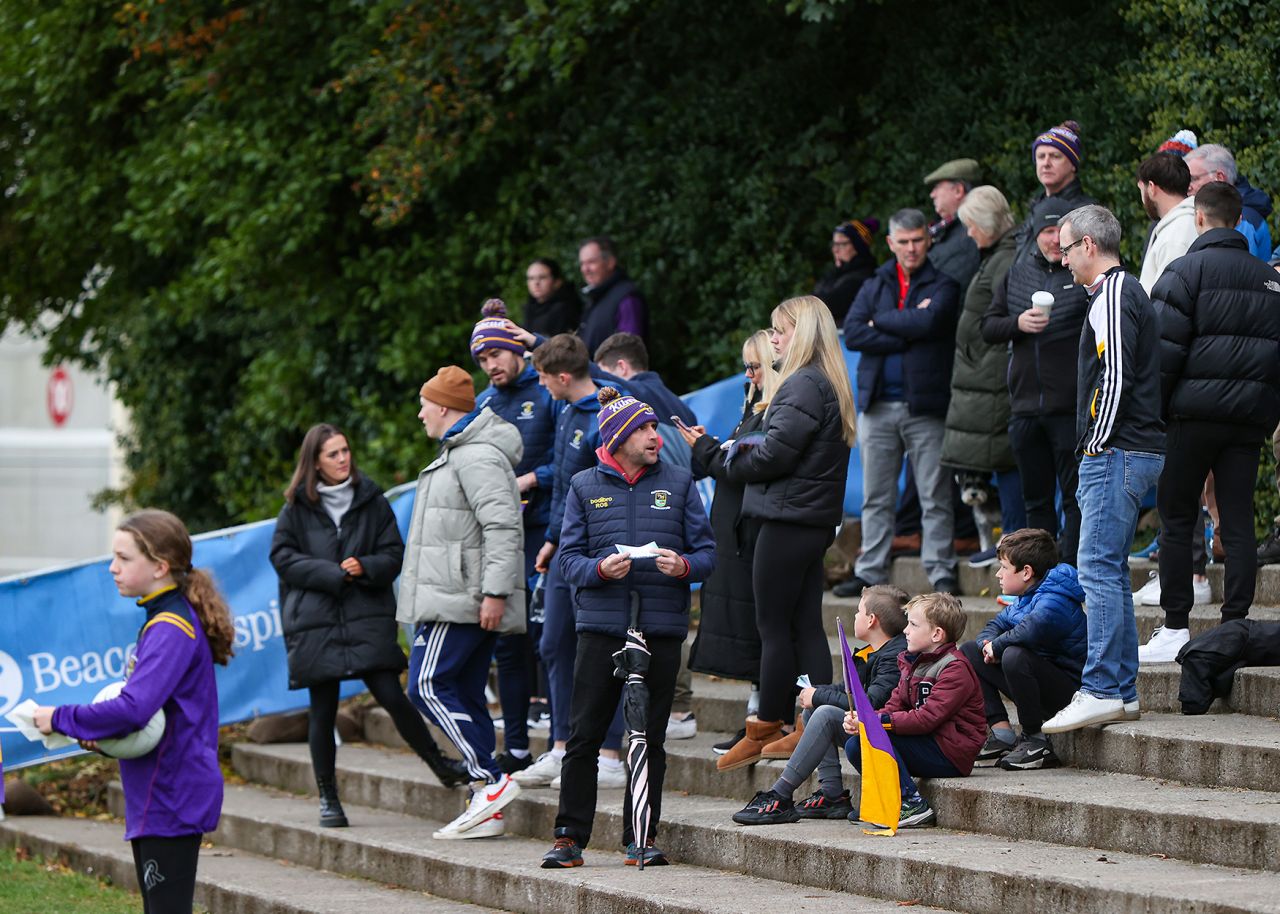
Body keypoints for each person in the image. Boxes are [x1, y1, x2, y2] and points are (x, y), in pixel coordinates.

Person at [540, 387, 715, 868]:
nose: (655, 436)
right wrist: (599, 571)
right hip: (601, 627)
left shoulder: (679, 483)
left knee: (649, 739)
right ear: (618, 437)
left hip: (660, 628)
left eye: (655, 427)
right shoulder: (582, 486)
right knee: (584, 736)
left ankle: (640, 836)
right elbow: (568, 561)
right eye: (644, 428)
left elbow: (708, 555)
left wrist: (683, 566)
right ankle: (568, 837)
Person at [33, 509, 235, 914]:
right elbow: (151, 718)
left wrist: (60, 718)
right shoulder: (161, 620)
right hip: (161, 792)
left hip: (174, 794)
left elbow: (133, 710)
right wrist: (103, 741)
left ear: (160, 566)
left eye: (124, 559)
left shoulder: (170, 628)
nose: (112, 568)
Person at [270, 424, 468, 828]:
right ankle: (328, 797)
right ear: (315, 462)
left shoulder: (372, 499)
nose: (343, 459)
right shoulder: (295, 509)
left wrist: (365, 567)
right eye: (333, 454)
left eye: (345, 450)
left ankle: (440, 765)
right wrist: (329, 573)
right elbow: (283, 557)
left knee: (393, 697)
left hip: (366, 615)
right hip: (317, 623)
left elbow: (394, 553)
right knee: (322, 711)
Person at [705, 295, 857, 771]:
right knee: (804, 623)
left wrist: (732, 454)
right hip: (808, 521)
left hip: (787, 520)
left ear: (803, 334)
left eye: (780, 330)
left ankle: (766, 724)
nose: (773, 338)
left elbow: (774, 455)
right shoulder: (824, 382)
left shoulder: (801, 385)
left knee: (773, 628)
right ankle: (806, 723)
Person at [1137, 182, 1280, 662]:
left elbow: (1164, 355)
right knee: (1238, 521)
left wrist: (1154, 413)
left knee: (1178, 517)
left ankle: (1176, 624)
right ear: (1240, 221)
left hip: (1190, 417)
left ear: (1199, 217)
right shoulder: (1271, 280)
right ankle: (1235, 623)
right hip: (1246, 422)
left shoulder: (1183, 272)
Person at [1043, 206, 1165, 733]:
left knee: (1096, 568)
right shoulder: (1119, 292)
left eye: (1066, 249)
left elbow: (1114, 372)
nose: (1062, 260)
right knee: (1107, 569)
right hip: (1127, 448)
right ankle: (1122, 689)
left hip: (1116, 450)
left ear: (1089, 245)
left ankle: (1101, 688)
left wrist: (1095, 441)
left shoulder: (1113, 292)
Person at [398, 365, 526, 839]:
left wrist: (494, 593)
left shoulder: (474, 457)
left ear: (445, 408)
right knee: (467, 692)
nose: (419, 413)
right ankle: (485, 805)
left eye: (425, 403)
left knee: (426, 686)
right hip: (461, 596)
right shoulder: (460, 453)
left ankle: (489, 780)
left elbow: (502, 529)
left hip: (462, 599)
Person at [516, 334, 627, 789]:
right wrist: (552, 539)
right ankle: (561, 747)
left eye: (542, 377)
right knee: (553, 644)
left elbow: (617, 484)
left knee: (605, 651)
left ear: (562, 377)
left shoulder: (607, 415)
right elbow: (563, 485)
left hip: (599, 550)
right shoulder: (562, 411)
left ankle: (610, 755)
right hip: (565, 546)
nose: (539, 385)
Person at [837, 208, 963, 597]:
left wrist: (884, 322)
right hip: (877, 406)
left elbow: (930, 325)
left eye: (917, 240)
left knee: (935, 496)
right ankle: (869, 571)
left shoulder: (944, 283)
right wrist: (906, 326)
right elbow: (855, 332)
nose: (911, 248)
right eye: (903, 242)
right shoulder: (875, 282)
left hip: (925, 407)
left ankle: (941, 571)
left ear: (928, 240)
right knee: (876, 496)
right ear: (890, 243)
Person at [729, 584, 908, 825]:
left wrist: (818, 696)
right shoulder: (874, 651)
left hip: (891, 737)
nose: (854, 616)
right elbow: (847, 690)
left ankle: (780, 796)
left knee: (823, 712)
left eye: (858, 611)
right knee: (815, 707)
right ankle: (832, 794)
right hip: (874, 731)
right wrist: (816, 693)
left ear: (871, 620)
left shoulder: (893, 656)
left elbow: (867, 703)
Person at [470, 300, 560, 774]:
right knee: (507, 640)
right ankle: (518, 747)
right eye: (482, 360)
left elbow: (575, 445)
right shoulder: (484, 402)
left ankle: (560, 742)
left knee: (548, 636)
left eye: (497, 355)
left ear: (517, 350)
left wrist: (532, 480)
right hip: (501, 534)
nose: (491, 366)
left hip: (547, 529)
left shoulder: (545, 388)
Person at [682, 331, 779, 748]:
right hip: (734, 534)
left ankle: (764, 717)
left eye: (754, 366)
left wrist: (707, 450)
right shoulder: (752, 403)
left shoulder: (778, 408)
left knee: (759, 629)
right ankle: (757, 715)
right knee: (746, 628)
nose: (748, 374)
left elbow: (744, 465)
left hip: (753, 534)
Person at [981, 196, 1089, 565]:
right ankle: (1040, 575)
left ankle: (1072, 571)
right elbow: (988, 326)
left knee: (1075, 497)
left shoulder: (1082, 274)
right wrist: (1018, 324)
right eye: (1046, 231)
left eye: (1059, 233)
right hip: (1025, 407)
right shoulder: (1018, 272)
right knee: (1036, 502)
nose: (1052, 240)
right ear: (1035, 234)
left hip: (1069, 407)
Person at [844, 593, 984, 829]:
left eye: (913, 625)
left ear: (937, 634)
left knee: (869, 740)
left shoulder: (954, 668)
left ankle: (912, 803)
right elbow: (894, 704)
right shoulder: (913, 662)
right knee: (856, 744)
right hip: (928, 742)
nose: (906, 631)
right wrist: (865, 720)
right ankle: (889, 801)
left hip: (951, 752)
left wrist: (876, 721)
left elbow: (926, 719)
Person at [940, 185, 1024, 568]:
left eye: (972, 226)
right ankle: (1009, 541)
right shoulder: (996, 255)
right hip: (983, 376)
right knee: (1000, 461)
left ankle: (1013, 543)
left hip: (993, 379)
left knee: (1005, 461)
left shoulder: (1005, 258)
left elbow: (1003, 316)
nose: (969, 234)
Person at [959, 529, 1086, 770]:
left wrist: (997, 645)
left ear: (1026, 572)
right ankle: (1002, 734)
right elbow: (994, 625)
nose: (998, 574)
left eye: (1004, 568)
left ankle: (1035, 739)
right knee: (969, 651)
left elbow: (1032, 628)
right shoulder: (1027, 596)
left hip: (1071, 696)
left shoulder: (1055, 600)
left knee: (1013, 655)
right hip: (1039, 686)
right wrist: (987, 645)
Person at [1013, 120, 1095, 263]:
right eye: (1041, 156)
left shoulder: (1085, 213)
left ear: (1073, 165)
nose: (1046, 163)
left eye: (1055, 156)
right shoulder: (1035, 207)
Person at [1186, 144, 1274, 260]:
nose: (1188, 187)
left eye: (1194, 179)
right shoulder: (1235, 211)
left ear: (1219, 177)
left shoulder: (1244, 220)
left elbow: (1237, 271)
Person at [593, 332, 697, 425]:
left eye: (606, 374)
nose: (602, 386)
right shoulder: (686, 411)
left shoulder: (634, 397)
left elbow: (593, 373)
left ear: (622, 367)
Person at [1136, 153, 1196, 293]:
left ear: (1151, 187)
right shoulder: (1181, 224)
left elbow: (1169, 296)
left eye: (1141, 190)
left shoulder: (1176, 235)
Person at [577, 237, 648, 352]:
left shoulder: (627, 298)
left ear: (610, 262)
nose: (585, 269)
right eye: (582, 263)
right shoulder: (595, 298)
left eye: (591, 262)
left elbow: (629, 352)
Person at [924, 158, 982, 288]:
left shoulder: (969, 233)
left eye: (937, 187)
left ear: (958, 191)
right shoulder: (950, 228)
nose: (932, 195)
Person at [813, 218, 879, 323]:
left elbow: (827, 305)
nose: (835, 250)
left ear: (858, 247)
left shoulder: (863, 277)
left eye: (842, 244)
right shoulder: (835, 274)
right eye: (834, 244)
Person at [523, 257, 582, 337]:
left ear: (557, 282)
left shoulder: (566, 309)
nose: (536, 283)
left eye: (542, 277)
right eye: (531, 278)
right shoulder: (530, 309)